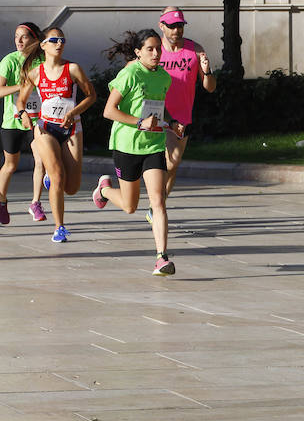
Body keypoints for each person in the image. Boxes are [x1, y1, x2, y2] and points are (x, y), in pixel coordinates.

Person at [92, 29, 175, 275]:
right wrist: (139, 123)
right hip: (127, 145)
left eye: (158, 48)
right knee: (130, 206)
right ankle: (104, 190)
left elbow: (159, 110)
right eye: (150, 49)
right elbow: (109, 110)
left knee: (158, 201)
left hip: (154, 145)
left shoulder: (164, 77)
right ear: (138, 52)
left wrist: (173, 122)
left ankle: (161, 257)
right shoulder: (129, 73)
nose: (156, 53)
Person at [17, 27, 96, 242]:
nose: (59, 44)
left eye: (62, 40)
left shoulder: (73, 69)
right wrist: (23, 114)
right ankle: (59, 227)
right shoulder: (35, 73)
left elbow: (92, 96)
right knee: (58, 175)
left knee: (71, 188)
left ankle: (52, 181)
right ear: (43, 45)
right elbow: (21, 101)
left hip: (71, 128)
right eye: (54, 40)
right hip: (45, 128)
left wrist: (73, 112)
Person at [144, 7, 215, 222]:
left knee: (173, 163)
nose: (177, 30)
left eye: (180, 26)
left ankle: (156, 206)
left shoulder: (195, 50)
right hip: (156, 113)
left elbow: (210, 87)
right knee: (166, 162)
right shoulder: (154, 50)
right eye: (172, 26)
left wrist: (207, 69)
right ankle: (157, 206)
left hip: (183, 116)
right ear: (162, 26)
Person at [0, 22, 47, 223]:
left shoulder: (44, 61)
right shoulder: (10, 61)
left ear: (35, 39)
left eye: (24, 37)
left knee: (41, 159)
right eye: (16, 36)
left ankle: (35, 202)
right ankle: (1, 201)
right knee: (10, 165)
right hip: (13, 121)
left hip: (38, 119)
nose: (18, 40)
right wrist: (22, 86)